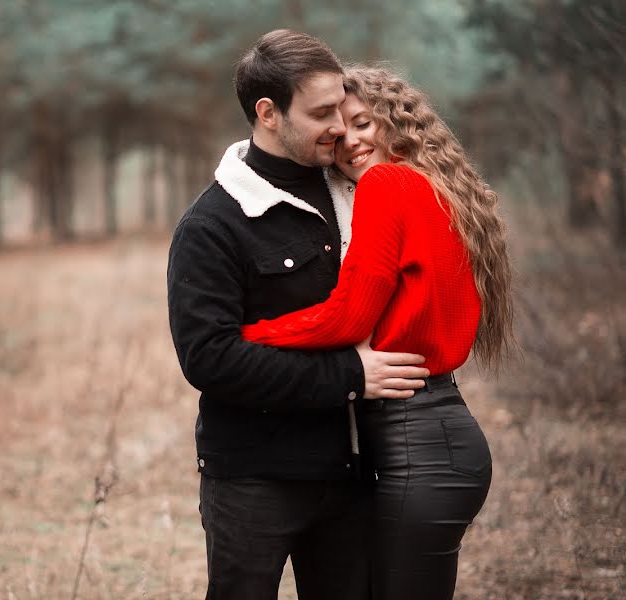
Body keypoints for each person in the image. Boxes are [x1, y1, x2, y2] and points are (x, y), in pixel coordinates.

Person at [166, 31, 431, 600]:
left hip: (355, 471)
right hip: (252, 477)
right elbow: (209, 359)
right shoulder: (211, 226)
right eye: (320, 112)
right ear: (268, 113)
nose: (339, 124)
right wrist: (349, 377)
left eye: (341, 104)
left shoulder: (357, 193)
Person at [241, 66, 515, 600]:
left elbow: (348, 317)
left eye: (364, 123)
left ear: (397, 125)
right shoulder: (433, 189)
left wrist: (250, 334)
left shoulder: (388, 186)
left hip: (420, 445)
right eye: (339, 133)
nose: (352, 141)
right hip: (437, 437)